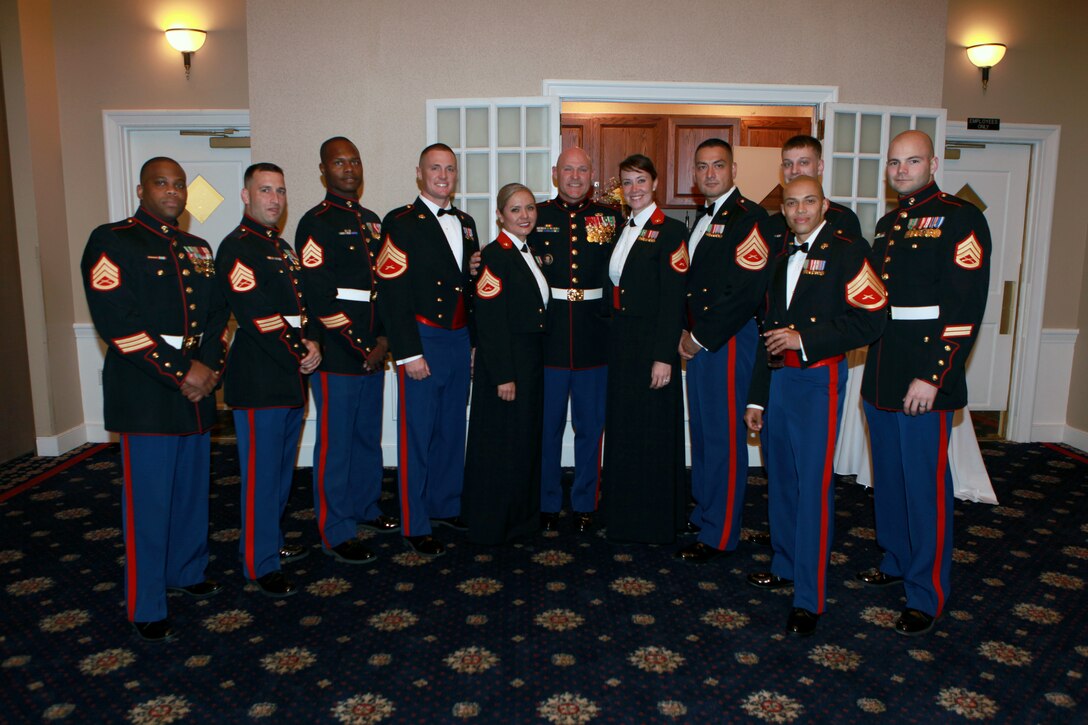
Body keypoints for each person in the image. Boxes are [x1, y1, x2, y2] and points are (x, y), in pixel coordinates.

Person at [81, 157, 229, 642]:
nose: (172, 191)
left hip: (195, 391)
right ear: (141, 189)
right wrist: (184, 371)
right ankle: (147, 603)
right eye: (161, 183)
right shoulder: (113, 240)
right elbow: (118, 324)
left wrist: (208, 372)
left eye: (179, 184)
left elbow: (213, 317)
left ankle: (186, 571)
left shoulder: (198, 248)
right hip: (147, 392)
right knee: (148, 504)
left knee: (190, 493)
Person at [856, 130, 991, 636]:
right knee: (887, 479)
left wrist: (933, 377)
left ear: (933, 163)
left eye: (912, 161)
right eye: (894, 162)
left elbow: (963, 311)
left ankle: (926, 593)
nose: (901, 170)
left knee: (925, 489)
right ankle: (894, 560)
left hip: (922, 380)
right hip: (882, 374)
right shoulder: (889, 224)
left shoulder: (961, 219)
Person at [743, 176, 887, 636]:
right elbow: (767, 329)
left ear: (824, 204)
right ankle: (784, 566)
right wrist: (757, 397)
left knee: (813, 491)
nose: (800, 210)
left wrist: (806, 340)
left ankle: (810, 595)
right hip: (778, 382)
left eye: (809, 201)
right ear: (782, 208)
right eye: (791, 203)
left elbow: (872, 318)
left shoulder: (849, 251)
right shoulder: (780, 253)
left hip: (818, 380)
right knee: (780, 482)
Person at [217, 163, 322, 597]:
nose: (274, 199)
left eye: (280, 190)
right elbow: (258, 316)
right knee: (261, 477)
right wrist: (303, 351)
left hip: (289, 377)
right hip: (261, 378)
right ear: (246, 196)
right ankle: (258, 564)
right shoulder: (237, 248)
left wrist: (311, 341)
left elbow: (301, 309)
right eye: (264, 190)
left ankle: (271, 544)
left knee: (280, 474)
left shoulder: (281, 248)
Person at [295, 137, 398, 566]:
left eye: (354, 160)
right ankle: (335, 529)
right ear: (323, 171)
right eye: (339, 162)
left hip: (374, 350)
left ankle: (365, 508)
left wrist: (385, 342)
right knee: (336, 444)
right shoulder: (314, 222)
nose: (349, 168)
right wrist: (363, 347)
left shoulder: (373, 221)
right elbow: (318, 295)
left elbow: (389, 283)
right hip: (338, 353)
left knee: (365, 437)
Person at [376, 143, 480, 558]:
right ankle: (414, 521)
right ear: (419, 173)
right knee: (416, 434)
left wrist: (474, 342)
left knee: (453, 429)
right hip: (422, 338)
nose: (443, 175)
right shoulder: (399, 222)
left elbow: (471, 288)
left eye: (450, 169)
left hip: (458, 339)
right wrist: (407, 352)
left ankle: (446, 503)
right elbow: (391, 291)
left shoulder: (468, 222)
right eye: (434, 168)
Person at [675, 138, 769, 564]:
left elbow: (744, 292)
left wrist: (700, 337)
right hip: (703, 341)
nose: (709, 174)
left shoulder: (750, 217)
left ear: (734, 169)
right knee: (705, 433)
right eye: (702, 167)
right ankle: (707, 510)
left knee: (725, 438)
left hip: (727, 340)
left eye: (718, 166)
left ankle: (721, 531)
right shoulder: (704, 217)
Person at [529, 147, 618, 534]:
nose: (576, 176)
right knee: (546, 426)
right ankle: (547, 501)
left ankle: (585, 501)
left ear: (592, 175)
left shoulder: (612, 217)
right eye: (568, 169)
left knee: (591, 426)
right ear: (555, 173)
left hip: (594, 336)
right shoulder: (536, 216)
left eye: (583, 169)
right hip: (549, 337)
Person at [602, 154, 689, 544]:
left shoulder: (670, 231)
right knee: (625, 428)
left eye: (640, 180)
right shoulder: (621, 227)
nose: (633, 189)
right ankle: (624, 514)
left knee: (652, 432)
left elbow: (673, 299)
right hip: (622, 341)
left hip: (652, 343)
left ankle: (653, 520)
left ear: (655, 183)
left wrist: (663, 355)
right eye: (627, 182)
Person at [462, 183, 549, 545]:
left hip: (528, 362)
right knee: (500, 446)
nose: (525, 215)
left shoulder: (530, 250)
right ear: (500, 215)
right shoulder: (496, 256)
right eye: (515, 210)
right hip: (506, 367)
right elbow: (491, 321)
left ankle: (519, 519)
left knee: (521, 443)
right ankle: (494, 523)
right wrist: (503, 375)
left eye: (529, 208)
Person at [760, 135, 863, 245]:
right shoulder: (772, 223)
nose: (794, 170)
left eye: (803, 162)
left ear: (819, 166)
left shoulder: (842, 219)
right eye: (788, 164)